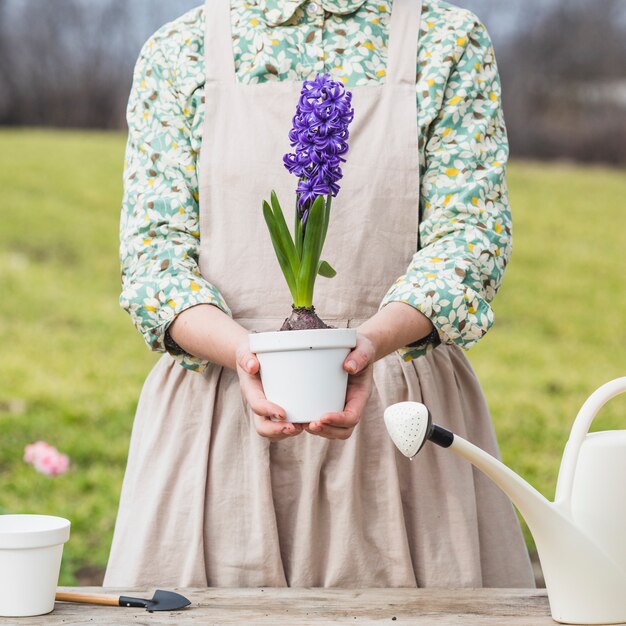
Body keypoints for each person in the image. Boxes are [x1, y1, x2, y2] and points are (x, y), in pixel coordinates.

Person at [104, 0, 535, 588]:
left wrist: (369, 343)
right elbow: (154, 260)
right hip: (217, 430)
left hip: (401, 426)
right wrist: (247, 355)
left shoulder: (446, 42)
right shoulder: (179, 51)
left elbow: (469, 242)